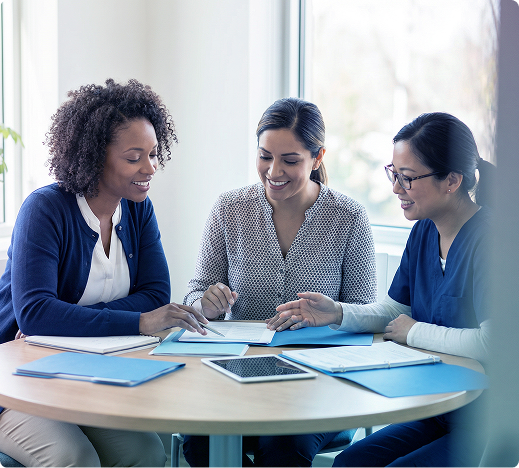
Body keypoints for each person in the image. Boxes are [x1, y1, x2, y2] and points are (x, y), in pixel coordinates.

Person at [0, 79, 209, 468]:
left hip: (83, 373)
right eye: (134, 157)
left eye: (153, 154)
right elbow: (36, 314)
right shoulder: (45, 210)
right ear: (95, 156)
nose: (150, 168)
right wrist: (139, 321)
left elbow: (155, 293)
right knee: (74, 458)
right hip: (18, 381)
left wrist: (70, 321)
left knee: (147, 453)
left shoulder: (137, 208)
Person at [268, 112, 494, 467]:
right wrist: (337, 313)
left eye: (406, 178)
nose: (395, 189)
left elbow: (492, 343)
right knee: (348, 464)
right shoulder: (424, 231)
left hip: (486, 421)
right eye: (394, 174)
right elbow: (393, 312)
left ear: (452, 180)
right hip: (437, 408)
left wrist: (415, 331)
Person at [182, 97, 377, 468]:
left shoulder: (349, 217)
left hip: (319, 382)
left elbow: (366, 313)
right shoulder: (229, 208)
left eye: (290, 160)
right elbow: (195, 291)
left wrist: (332, 313)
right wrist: (203, 303)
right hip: (233, 375)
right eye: (264, 156)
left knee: (282, 447)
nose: (274, 171)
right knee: (201, 441)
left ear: (317, 157)